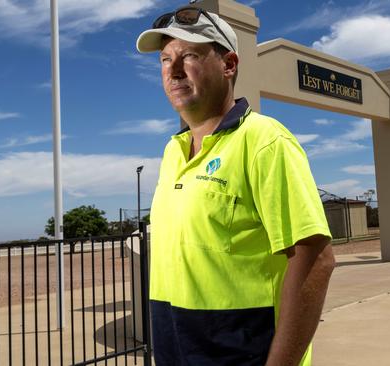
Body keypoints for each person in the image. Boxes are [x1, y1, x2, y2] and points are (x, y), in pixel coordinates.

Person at [136, 4, 335, 365]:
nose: (174, 71)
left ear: (229, 65)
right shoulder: (173, 152)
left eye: (190, 55)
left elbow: (316, 259)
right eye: (165, 60)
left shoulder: (265, 141)